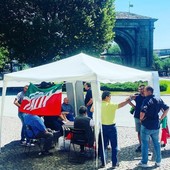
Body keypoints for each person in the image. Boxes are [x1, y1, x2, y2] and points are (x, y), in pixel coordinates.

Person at [138, 86, 169, 168]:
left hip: (146, 125)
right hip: (156, 124)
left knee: (145, 144)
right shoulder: (158, 99)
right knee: (157, 143)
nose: (143, 92)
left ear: (148, 91)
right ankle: (158, 161)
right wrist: (161, 117)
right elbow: (167, 108)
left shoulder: (146, 100)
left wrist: (141, 119)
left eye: (144, 91)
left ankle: (144, 162)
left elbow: (142, 113)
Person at [100, 91, 130, 169]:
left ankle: (103, 162)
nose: (111, 98)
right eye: (110, 97)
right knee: (114, 146)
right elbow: (121, 105)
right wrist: (128, 100)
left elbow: (92, 110)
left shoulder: (98, 105)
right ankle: (114, 163)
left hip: (103, 127)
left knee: (103, 146)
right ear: (106, 97)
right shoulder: (111, 105)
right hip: (111, 127)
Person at [128, 85, 145, 152]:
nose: (141, 90)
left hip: (145, 117)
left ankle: (145, 145)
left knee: (145, 132)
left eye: (142, 89)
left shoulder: (147, 96)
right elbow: (127, 100)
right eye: (140, 89)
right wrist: (134, 106)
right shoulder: (137, 96)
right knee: (139, 132)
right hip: (137, 116)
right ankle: (141, 144)